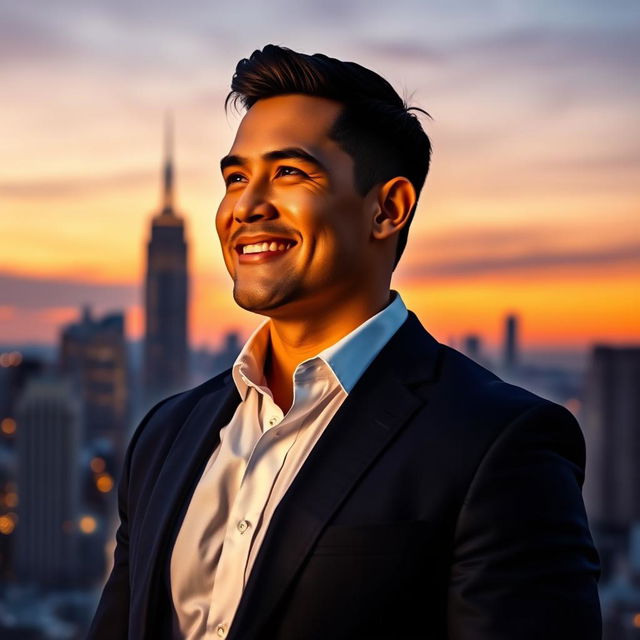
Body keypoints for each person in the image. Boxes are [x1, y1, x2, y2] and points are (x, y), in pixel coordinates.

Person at [87, 45, 601, 640]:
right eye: (235, 178)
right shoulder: (166, 434)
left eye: (288, 172)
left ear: (388, 208)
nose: (246, 206)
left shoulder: (498, 443)